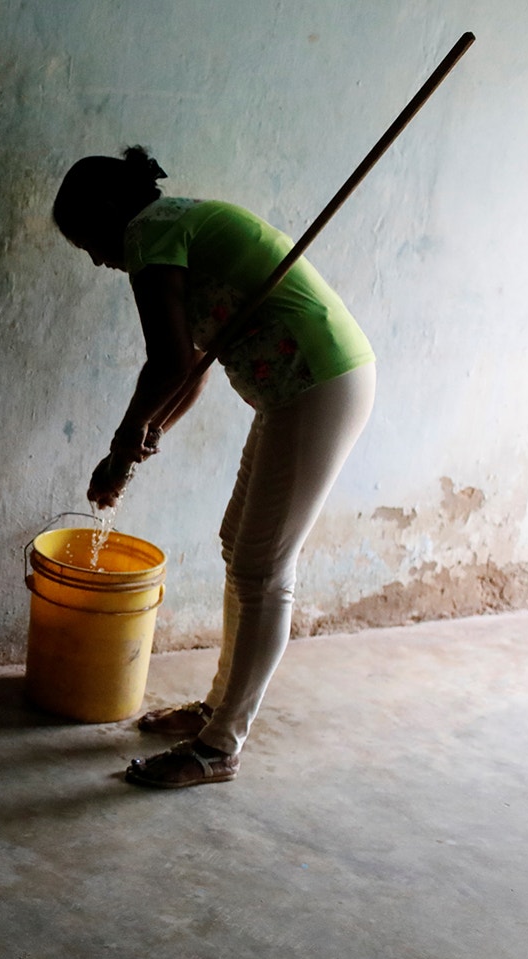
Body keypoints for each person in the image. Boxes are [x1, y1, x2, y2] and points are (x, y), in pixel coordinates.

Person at [51, 146, 376, 789]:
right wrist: (145, 438)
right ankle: (214, 709)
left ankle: (220, 746)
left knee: (264, 568)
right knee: (240, 547)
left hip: (317, 379)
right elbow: (193, 373)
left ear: (112, 213)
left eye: (88, 240)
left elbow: (168, 363)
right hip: (293, 387)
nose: (95, 258)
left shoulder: (150, 233)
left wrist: (121, 449)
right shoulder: (176, 228)